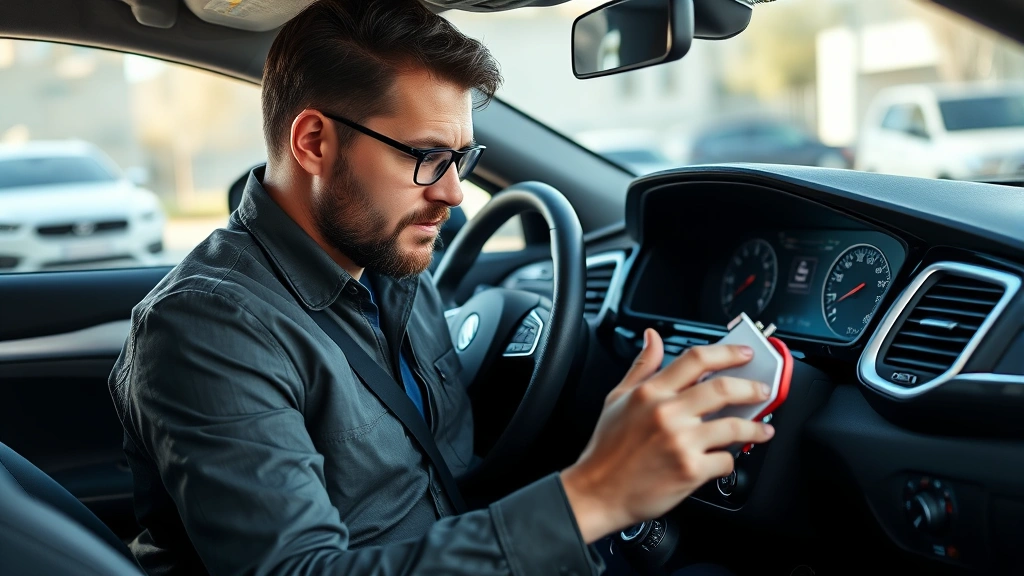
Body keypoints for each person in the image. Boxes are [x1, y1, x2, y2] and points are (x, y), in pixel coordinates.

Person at [107, 1, 775, 574]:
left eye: (462, 160)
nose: (455, 195)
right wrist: (594, 494)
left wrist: (609, 451)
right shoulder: (206, 327)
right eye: (427, 157)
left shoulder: (386, 263)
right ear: (313, 142)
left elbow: (444, 483)